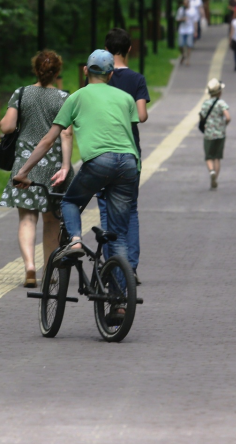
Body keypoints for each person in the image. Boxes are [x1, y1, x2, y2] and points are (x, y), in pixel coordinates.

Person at [13, 50, 140, 318]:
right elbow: (129, 126)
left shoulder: (77, 97)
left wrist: (23, 171)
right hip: (129, 164)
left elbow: (48, 140)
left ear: (85, 71)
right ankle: (118, 302)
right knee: (117, 235)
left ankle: (75, 241)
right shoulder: (126, 98)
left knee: (70, 201)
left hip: (99, 162)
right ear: (111, 73)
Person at [0, 51, 74, 288]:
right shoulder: (64, 97)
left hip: (25, 164)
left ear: (35, 69)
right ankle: (48, 272)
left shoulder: (21, 93)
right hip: (52, 165)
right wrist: (66, 165)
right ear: (57, 71)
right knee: (51, 221)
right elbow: (67, 132)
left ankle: (29, 267)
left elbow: (8, 126)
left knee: (27, 219)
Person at [96, 29, 150, 278]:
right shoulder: (137, 79)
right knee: (131, 210)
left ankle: (113, 266)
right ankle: (131, 268)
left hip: (101, 149)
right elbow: (141, 116)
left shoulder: (99, 78)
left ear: (106, 49)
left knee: (107, 208)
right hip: (130, 151)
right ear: (130, 49)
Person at [200, 78, 231, 189]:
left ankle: (211, 172)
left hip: (208, 134)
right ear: (220, 92)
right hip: (220, 134)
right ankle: (215, 179)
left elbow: (202, 117)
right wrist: (224, 124)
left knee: (209, 156)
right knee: (217, 157)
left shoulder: (205, 104)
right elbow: (228, 117)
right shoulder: (221, 103)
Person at [176, 0, 198, 66]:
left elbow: (195, 21)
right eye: (184, 3)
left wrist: (195, 31)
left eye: (186, 3)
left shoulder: (193, 10)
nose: (185, 4)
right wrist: (183, 19)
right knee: (180, 45)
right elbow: (177, 19)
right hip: (182, 29)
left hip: (190, 30)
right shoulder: (181, 10)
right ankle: (183, 55)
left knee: (189, 45)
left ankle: (188, 60)